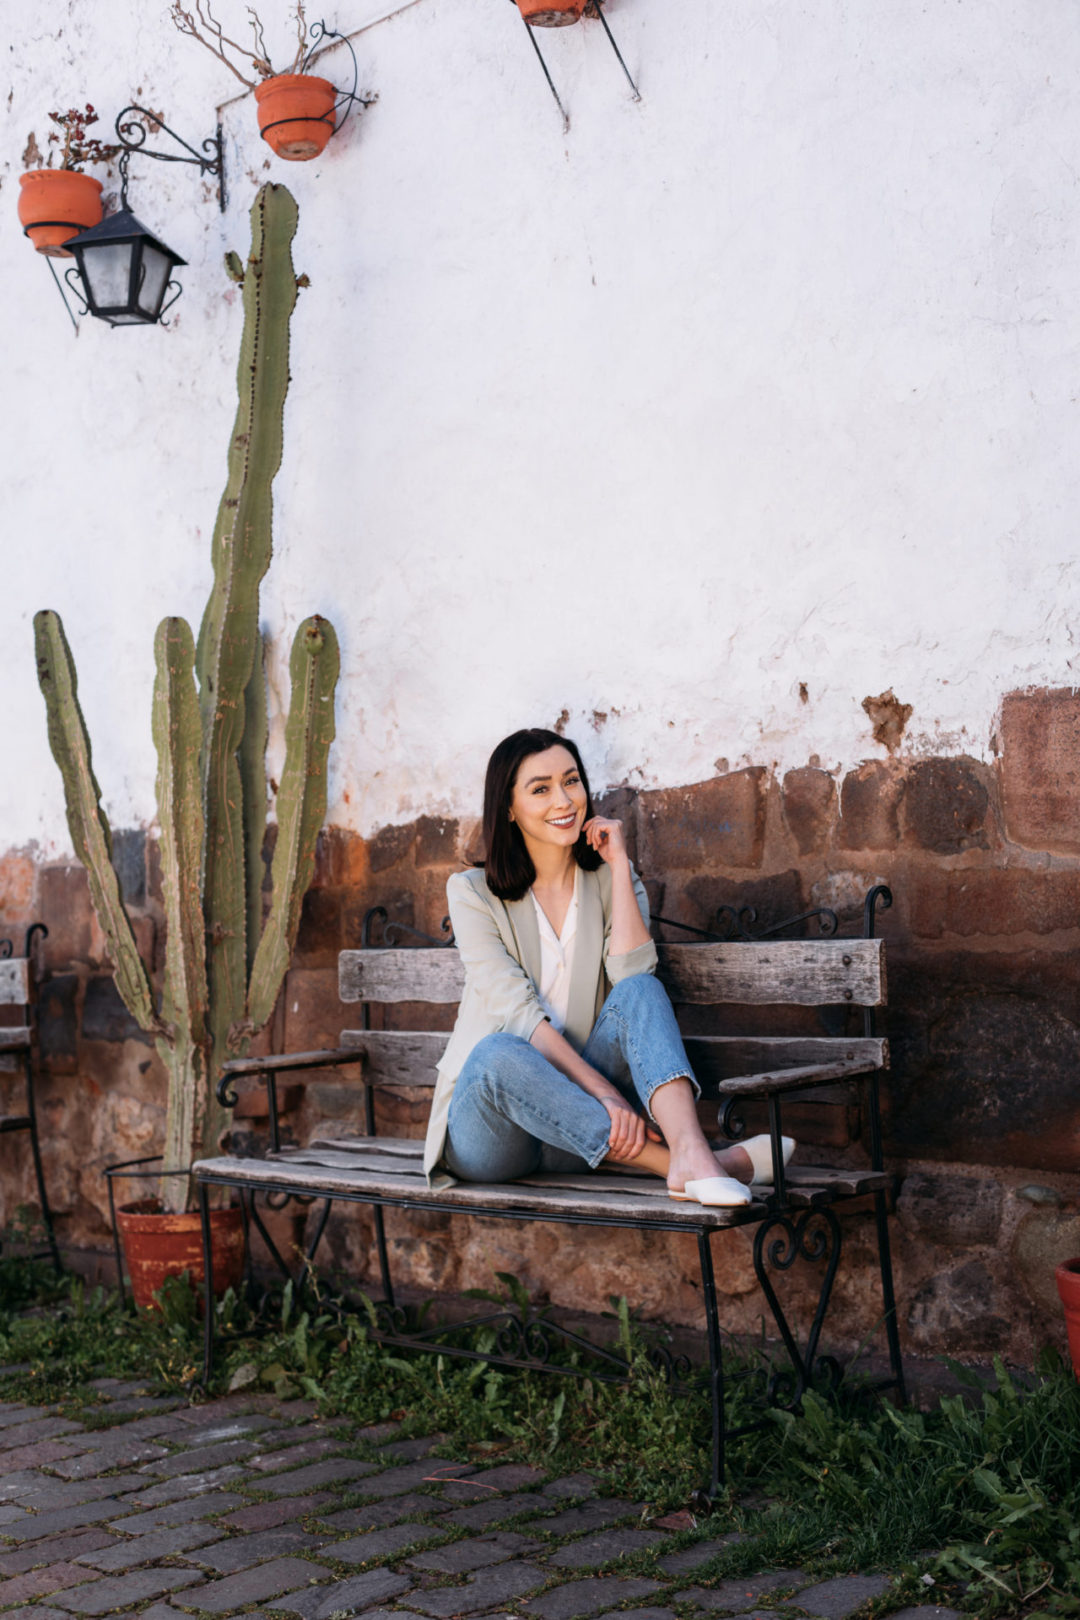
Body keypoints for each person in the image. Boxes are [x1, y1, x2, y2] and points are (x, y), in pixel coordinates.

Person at [422, 728, 794, 1204]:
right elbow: (518, 1014)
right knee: (497, 1052)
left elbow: (632, 976)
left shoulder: (607, 876)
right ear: (508, 809)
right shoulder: (472, 892)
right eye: (540, 789)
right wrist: (608, 1095)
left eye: (571, 781)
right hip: (494, 1136)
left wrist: (619, 866)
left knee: (642, 992)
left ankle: (689, 1148)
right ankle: (703, 1165)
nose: (564, 799)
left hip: (576, 1133)